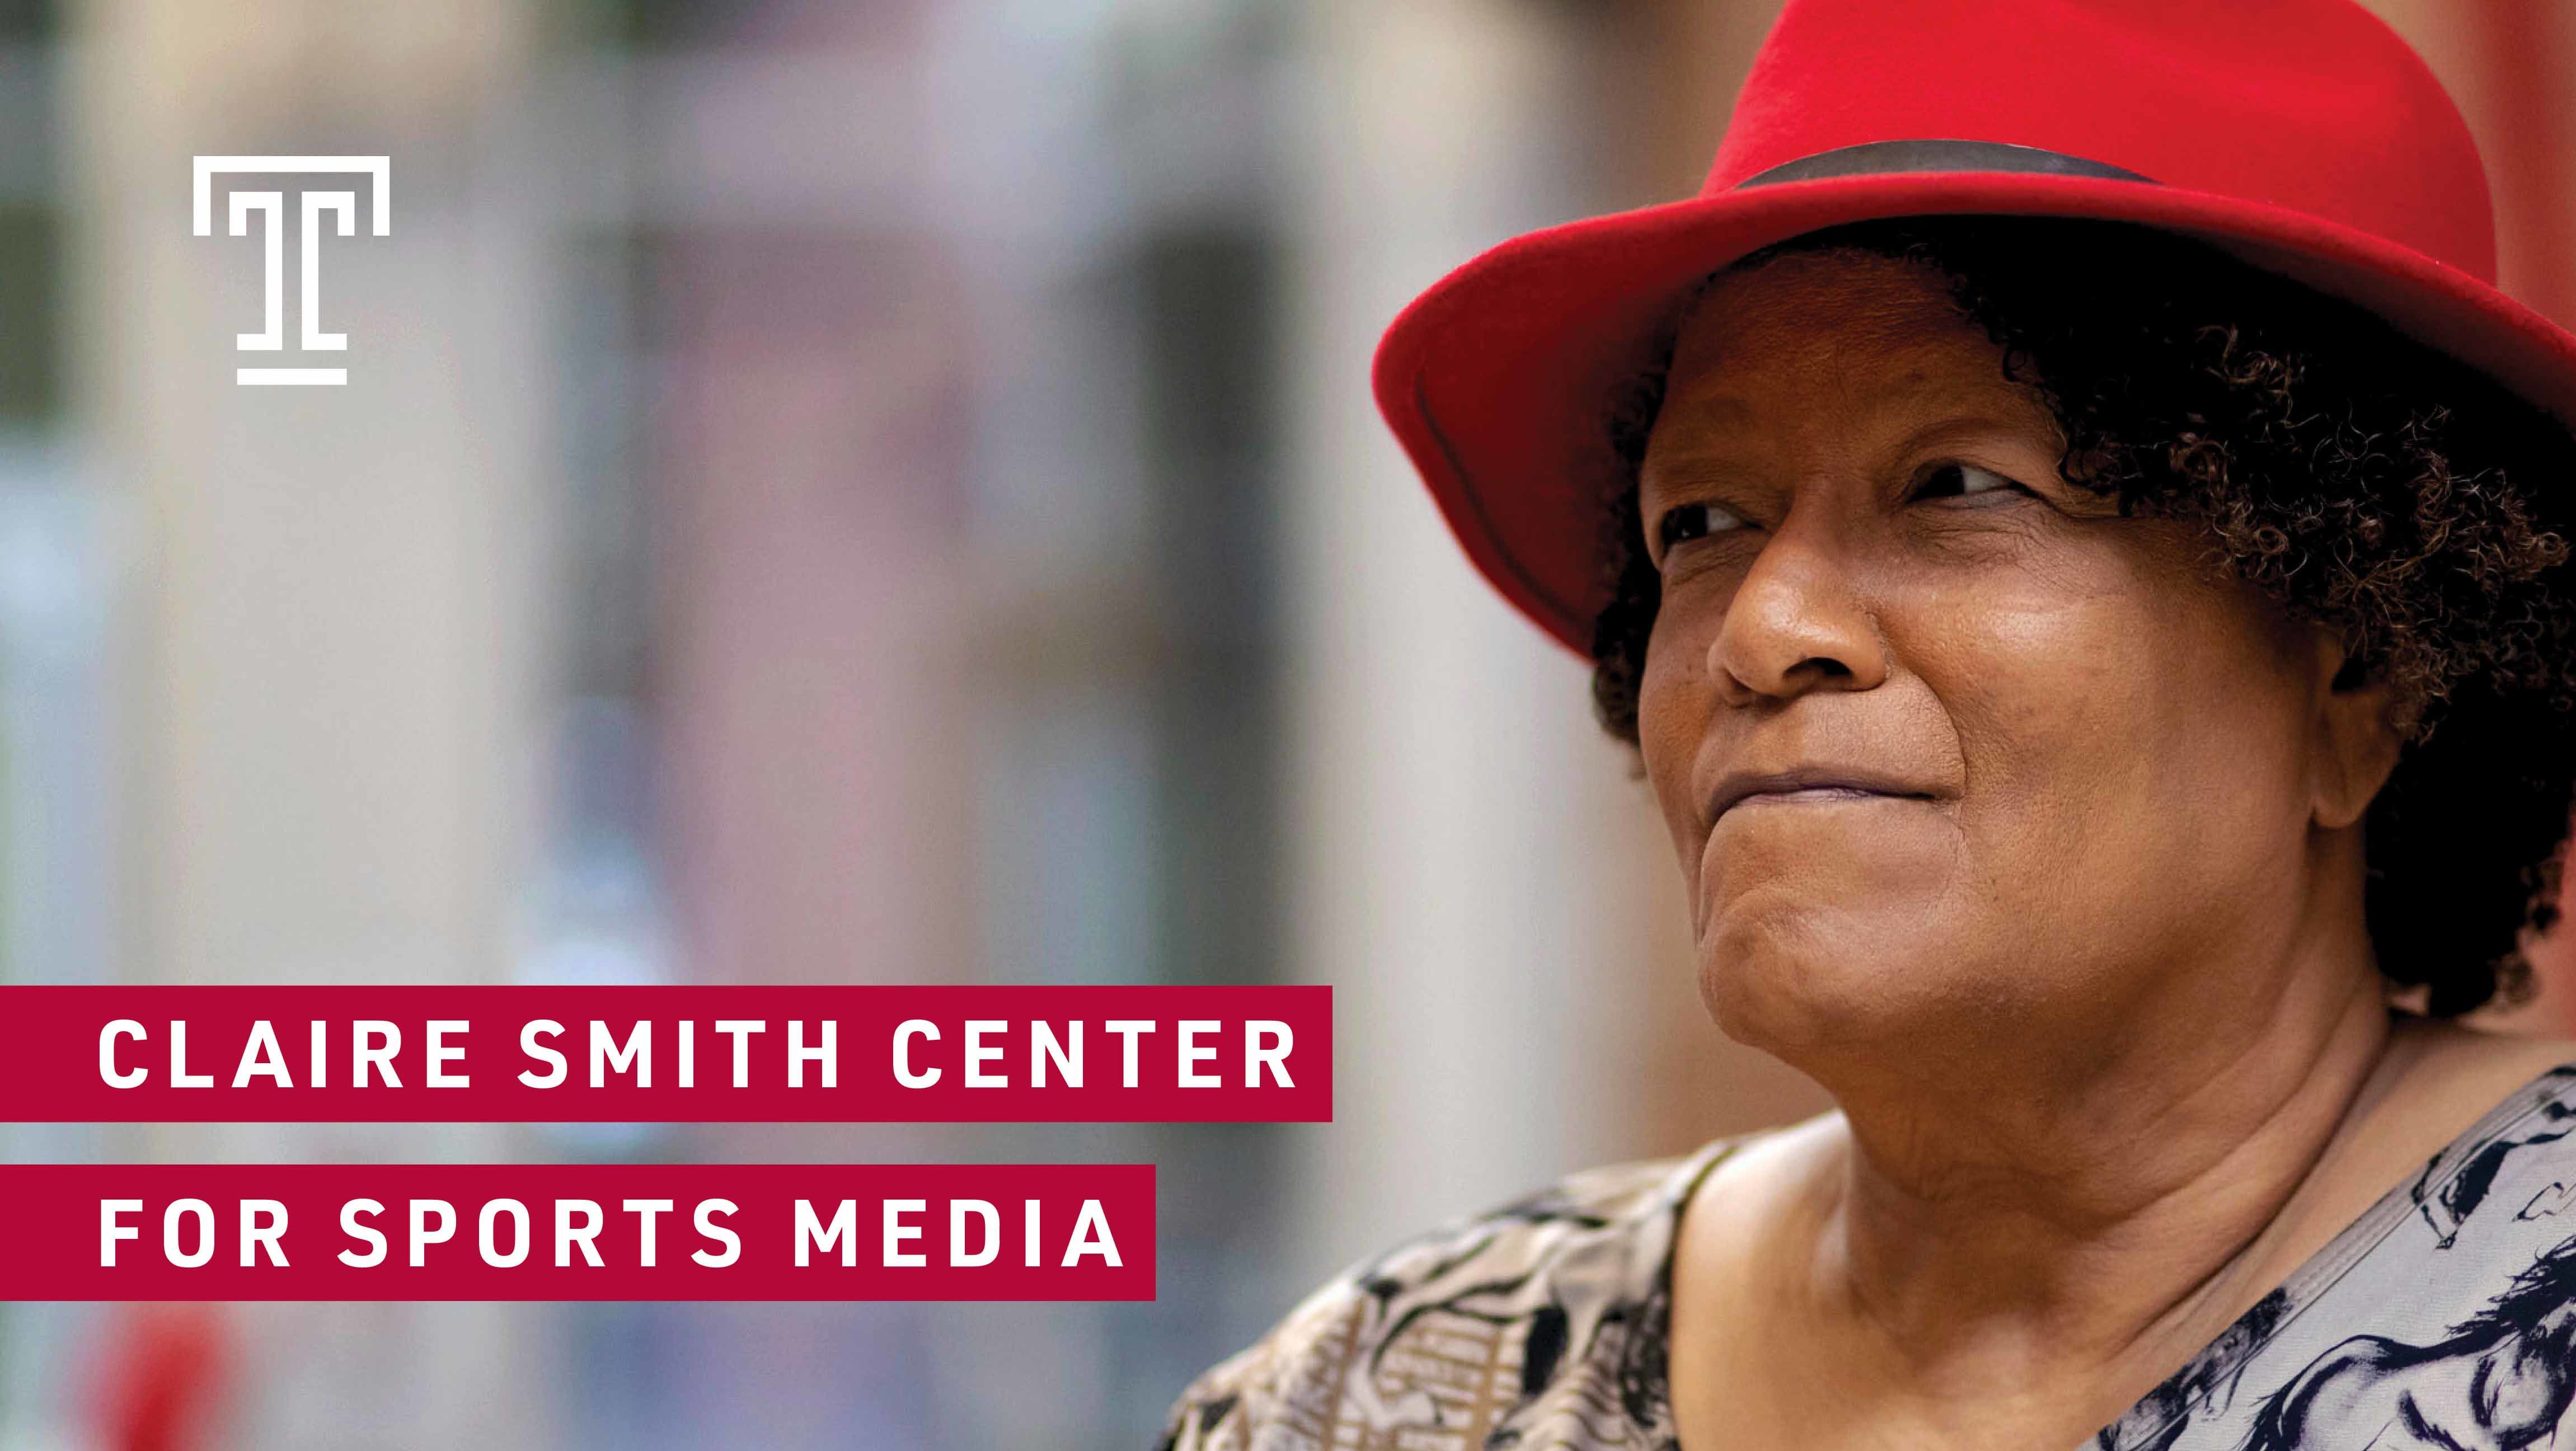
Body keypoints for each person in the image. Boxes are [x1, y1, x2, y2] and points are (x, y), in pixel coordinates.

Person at [1158, 1, 2576, 1448]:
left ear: (2362, 673)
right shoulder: (1384, 1394)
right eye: (1700, 522)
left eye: (1956, 485)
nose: (1761, 634)